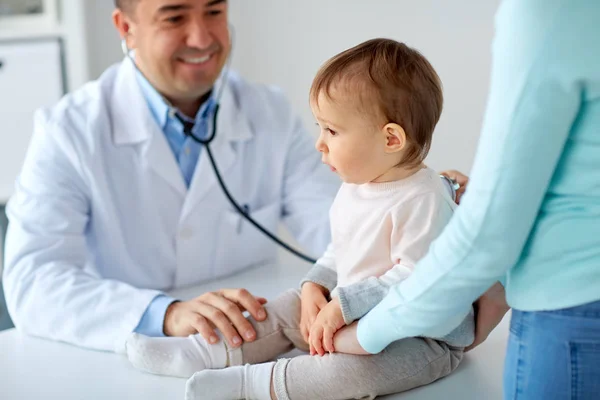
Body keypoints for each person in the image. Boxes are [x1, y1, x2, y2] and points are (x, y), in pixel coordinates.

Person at [125, 38, 475, 400]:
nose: (319, 143)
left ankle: (254, 385)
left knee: (351, 372)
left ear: (390, 139)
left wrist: (344, 305)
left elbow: (417, 277)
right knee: (284, 308)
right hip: (355, 311)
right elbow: (340, 249)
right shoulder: (358, 186)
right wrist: (315, 287)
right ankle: (202, 352)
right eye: (320, 127)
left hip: (419, 336)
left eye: (332, 131)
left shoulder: (424, 197)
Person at [2, 0, 337, 352]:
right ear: (126, 28)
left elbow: (342, 227)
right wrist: (165, 314)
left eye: (214, 12)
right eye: (174, 17)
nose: (201, 37)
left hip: (255, 346)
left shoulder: (270, 112)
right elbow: (34, 283)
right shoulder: (69, 131)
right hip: (119, 358)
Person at [351, 1, 600, 399]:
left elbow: (489, 233)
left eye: (331, 130)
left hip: (572, 320)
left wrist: (364, 333)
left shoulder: (550, 11)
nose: (320, 145)